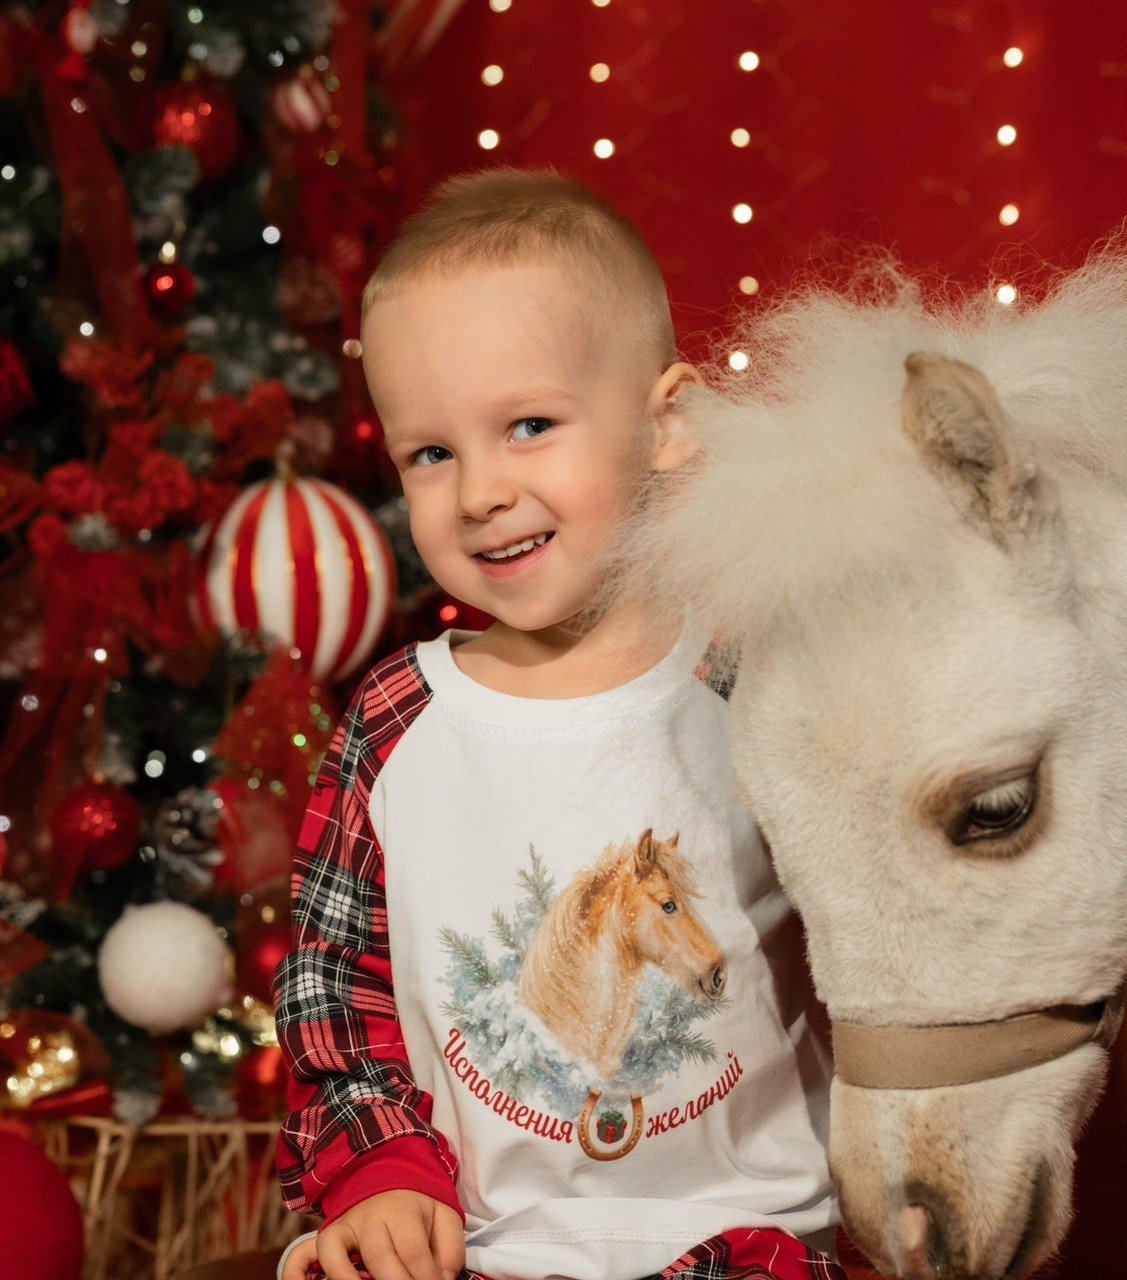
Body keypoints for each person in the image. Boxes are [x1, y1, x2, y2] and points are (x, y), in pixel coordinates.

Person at [274, 167, 843, 1280]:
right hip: (487, 1249)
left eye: (528, 425)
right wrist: (379, 1174)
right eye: (431, 453)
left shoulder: (758, 684)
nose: (478, 491)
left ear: (668, 424)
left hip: (747, 1239)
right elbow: (332, 987)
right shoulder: (395, 723)